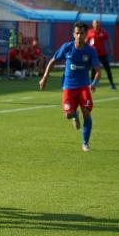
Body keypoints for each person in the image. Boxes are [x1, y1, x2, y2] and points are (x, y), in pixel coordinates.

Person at [39, 21, 101, 152]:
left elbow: (98, 71)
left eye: (82, 33)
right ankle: (74, 115)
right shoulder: (67, 48)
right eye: (77, 33)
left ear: (86, 35)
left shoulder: (90, 51)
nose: (79, 36)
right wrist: (44, 78)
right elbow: (52, 61)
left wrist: (94, 84)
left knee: (87, 113)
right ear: (74, 34)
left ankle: (85, 143)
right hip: (68, 87)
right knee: (68, 114)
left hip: (84, 87)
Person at [86, 19, 117, 90]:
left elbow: (108, 40)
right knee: (93, 70)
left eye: (98, 23)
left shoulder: (103, 31)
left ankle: (112, 84)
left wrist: (111, 49)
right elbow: (86, 42)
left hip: (103, 54)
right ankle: (92, 84)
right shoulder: (90, 32)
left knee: (107, 69)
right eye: (95, 23)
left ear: (99, 24)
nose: (96, 24)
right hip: (94, 54)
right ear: (93, 24)